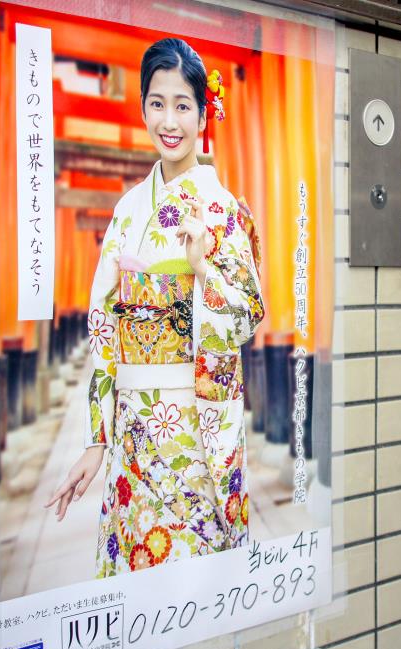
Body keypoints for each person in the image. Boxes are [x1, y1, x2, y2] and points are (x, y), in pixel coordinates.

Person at [44, 38, 264, 577]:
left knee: (199, 586)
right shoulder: (126, 212)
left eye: (183, 105)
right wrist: (99, 438)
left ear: (203, 113)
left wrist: (203, 268)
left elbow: (248, 313)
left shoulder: (223, 210)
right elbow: (103, 324)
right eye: (158, 103)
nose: (170, 120)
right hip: (136, 436)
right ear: (143, 107)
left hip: (194, 429)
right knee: (140, 591)